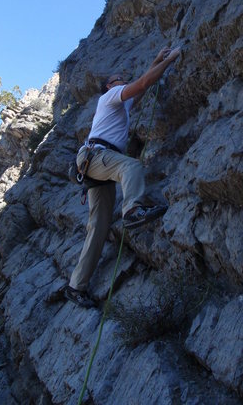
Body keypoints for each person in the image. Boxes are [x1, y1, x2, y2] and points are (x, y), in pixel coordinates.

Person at [65, 46, 181, 308]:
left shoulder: (120, 104)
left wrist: (156, 59)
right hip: (99, 157)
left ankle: (76, 286)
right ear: (110, 86)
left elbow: (140, 89)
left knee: (99, 227)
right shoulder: (111, 96)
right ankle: (132, 211)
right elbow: (142, 83)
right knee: (132, 167)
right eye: (119, 79)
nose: (123, 81)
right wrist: (170, 60)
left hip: (95, 164)